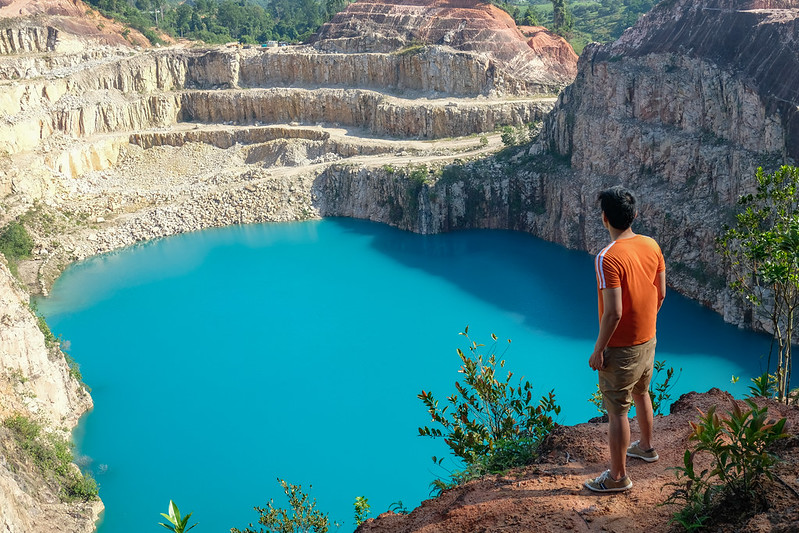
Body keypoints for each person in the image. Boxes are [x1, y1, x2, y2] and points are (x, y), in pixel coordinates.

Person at [584, 185, 666, 493]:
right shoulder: (651, 245)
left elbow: (613, 313)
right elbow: (661, 294)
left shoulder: (607, 258)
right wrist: (645, 325)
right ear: (634, 215)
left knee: (617, 410)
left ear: (605, 218)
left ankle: (618, 477)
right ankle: (645, 447)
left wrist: (598, 350)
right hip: (648, 339)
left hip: (621, 348)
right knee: (643, 392)